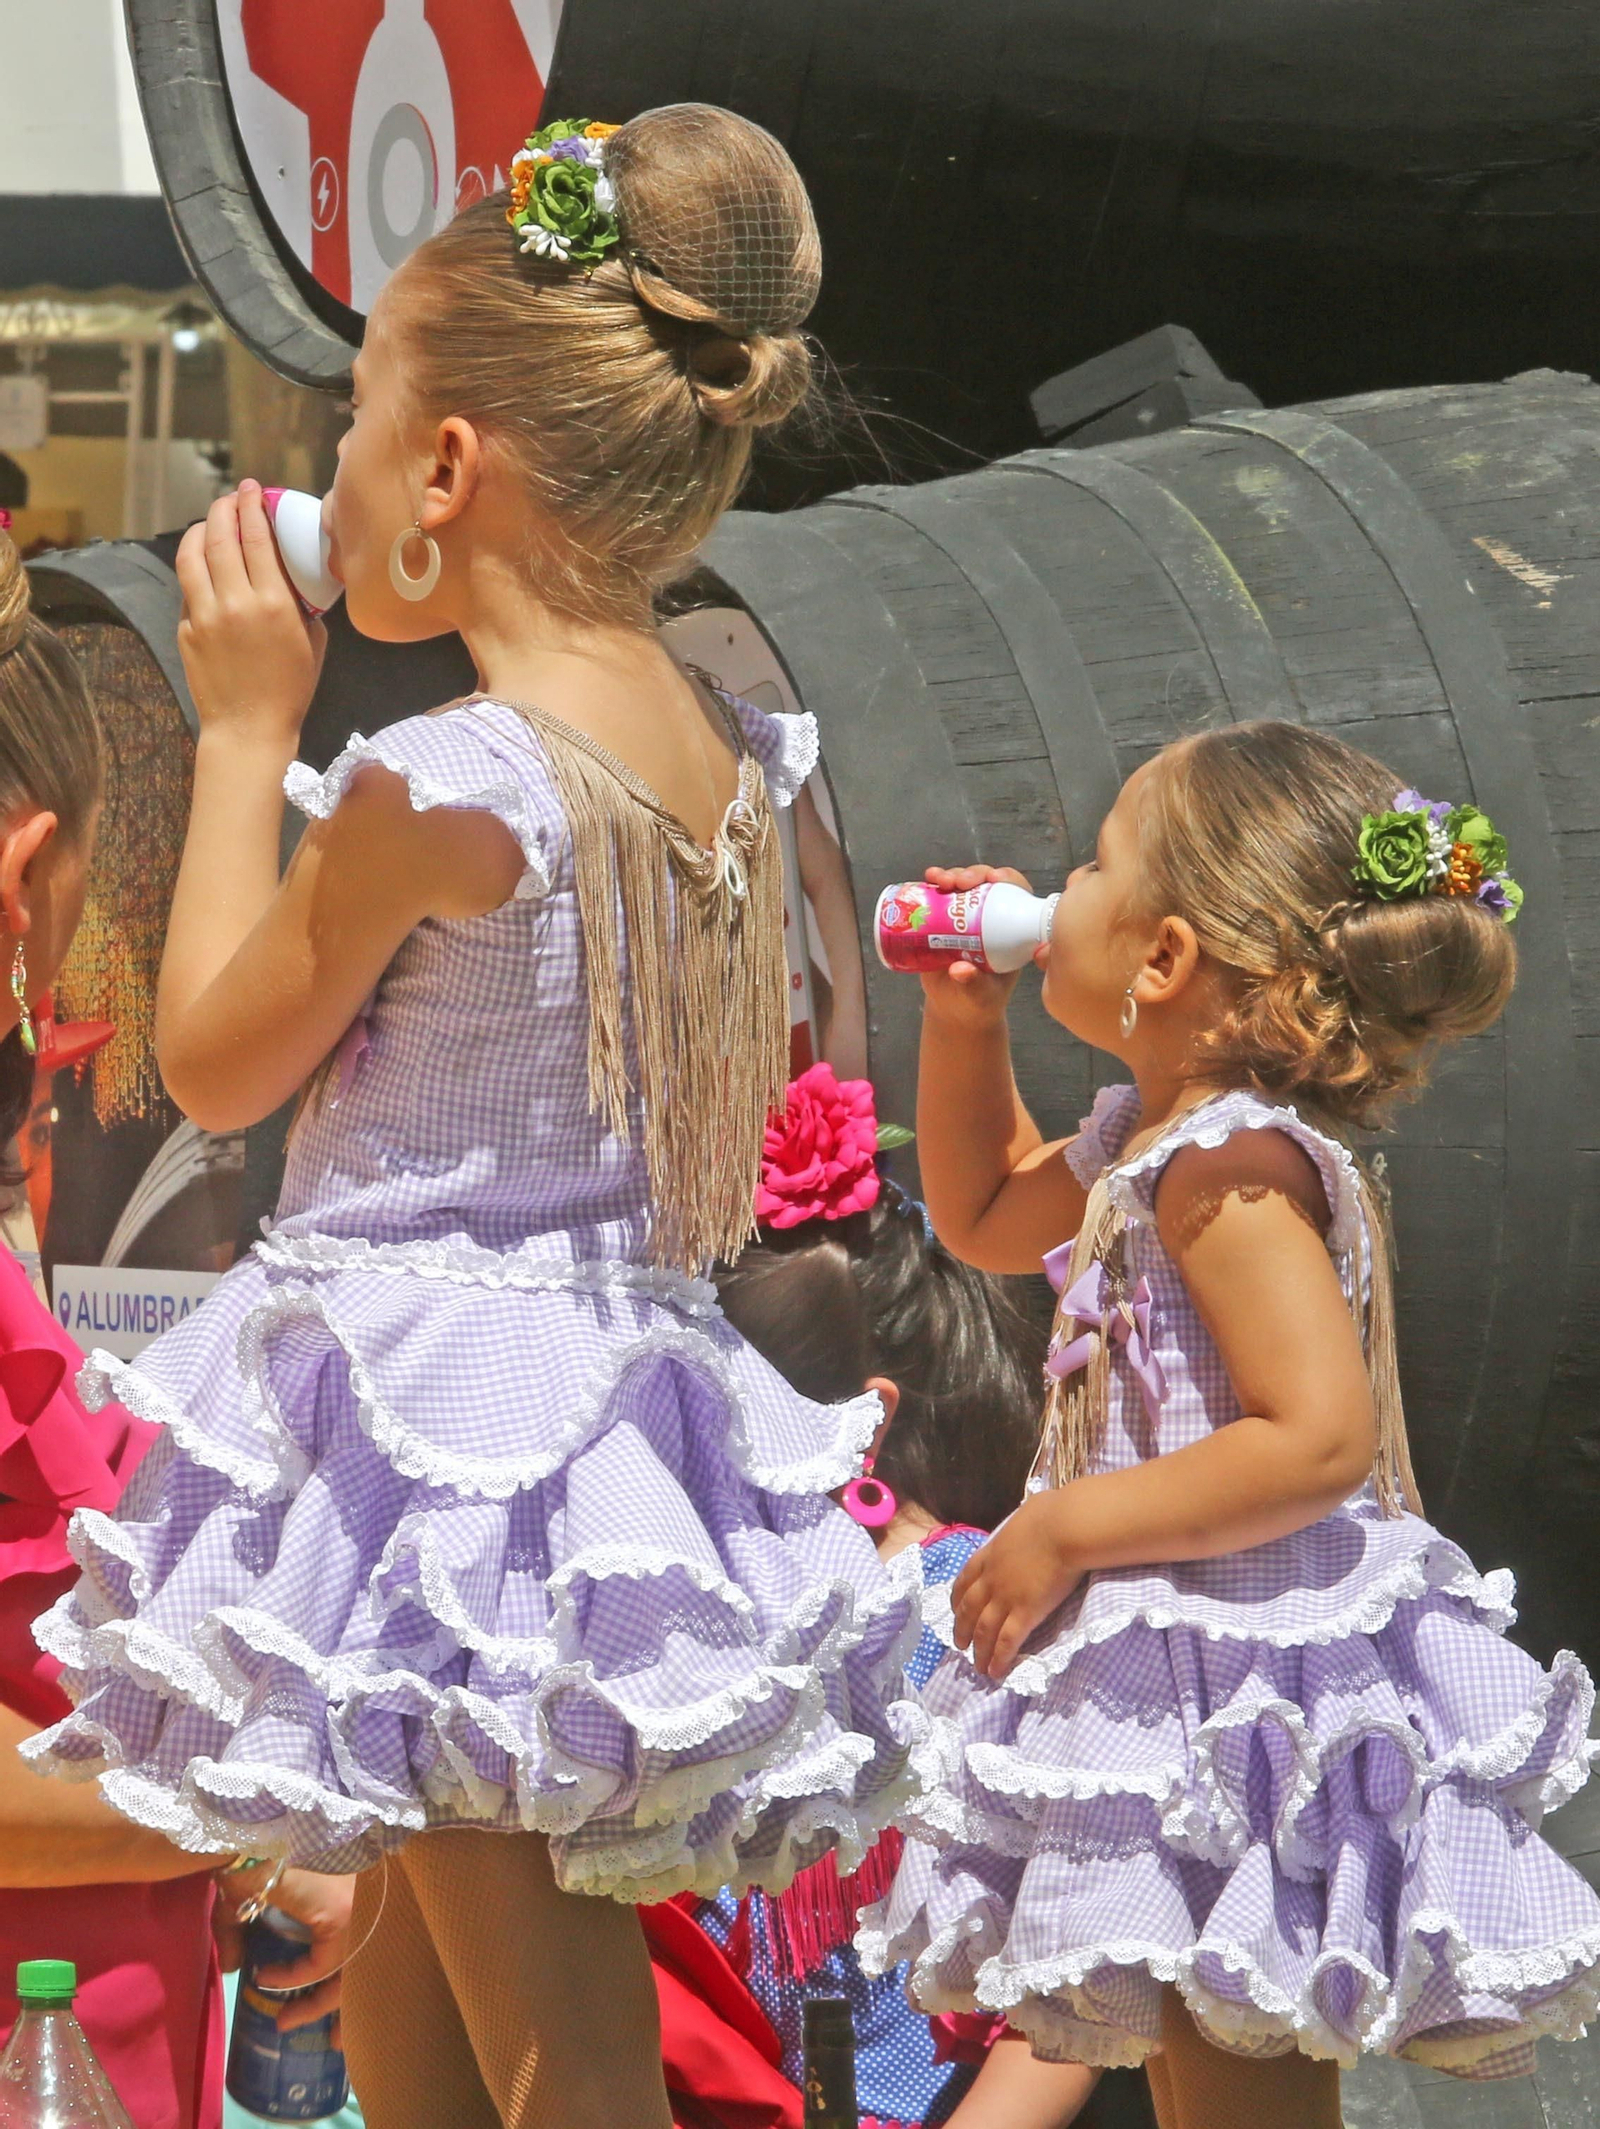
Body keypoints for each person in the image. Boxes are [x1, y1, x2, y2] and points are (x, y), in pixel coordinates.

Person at [26, 107, 924, 2129]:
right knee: (419, 2027)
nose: (330, 464)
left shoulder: (442, 782)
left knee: (567, 2056)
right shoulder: (718, 740)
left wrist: (245, 723)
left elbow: (216, 1064)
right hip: (599, 1395)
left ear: (441, 472)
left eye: (353, 417)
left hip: (448, 1434)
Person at [860, 723, 1600, 2128]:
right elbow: (985, 1211)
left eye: (1093, 864)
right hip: (1179, 1667)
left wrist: (1063, 1525)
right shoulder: (1145, 1143)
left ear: (1163, 958)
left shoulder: (1228, 1169)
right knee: (1201, 2060)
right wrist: (963, 1025)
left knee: (1241, 2070)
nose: (1061, 886)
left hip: (1244, 1687)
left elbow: (1315, 1435)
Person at [651, 1063, 1098, 2129]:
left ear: (862, 1421)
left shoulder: (984, 1613)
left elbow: (1078, 1946)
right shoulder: (659, 1612)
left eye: (703, 1434)